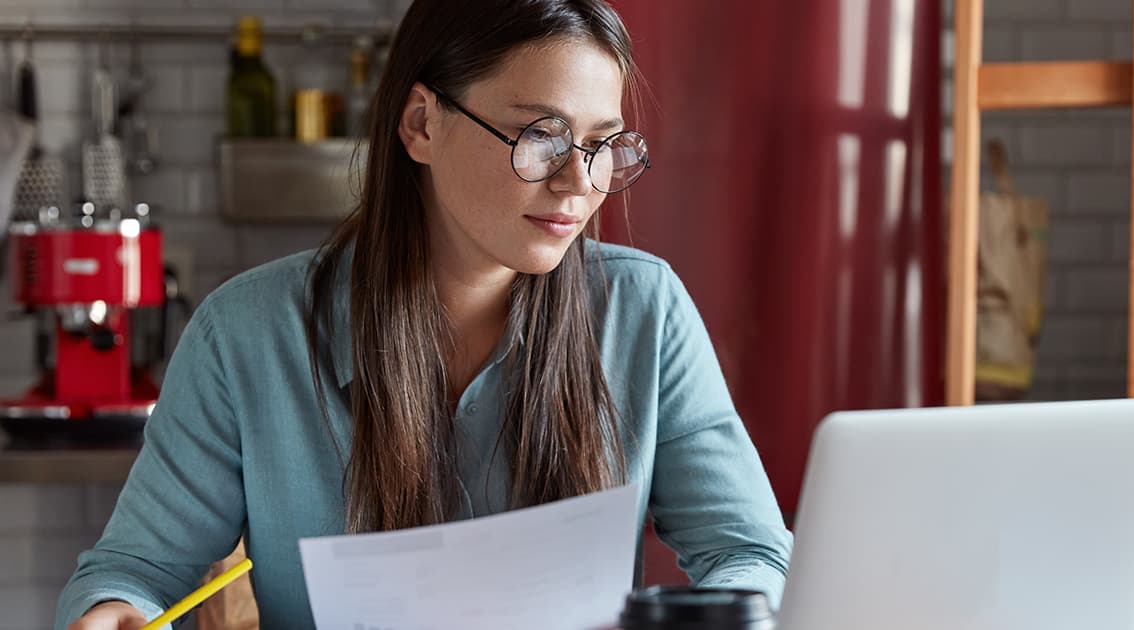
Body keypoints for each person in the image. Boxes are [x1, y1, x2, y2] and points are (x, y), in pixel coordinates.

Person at [58, 1, 791, 628]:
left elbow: (750, 551)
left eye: (602, 146)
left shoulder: (643, 310)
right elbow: (137, 572)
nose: (580, 182)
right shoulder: (245, 336)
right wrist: (112, 606)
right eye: (542, 137)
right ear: (420, 123)